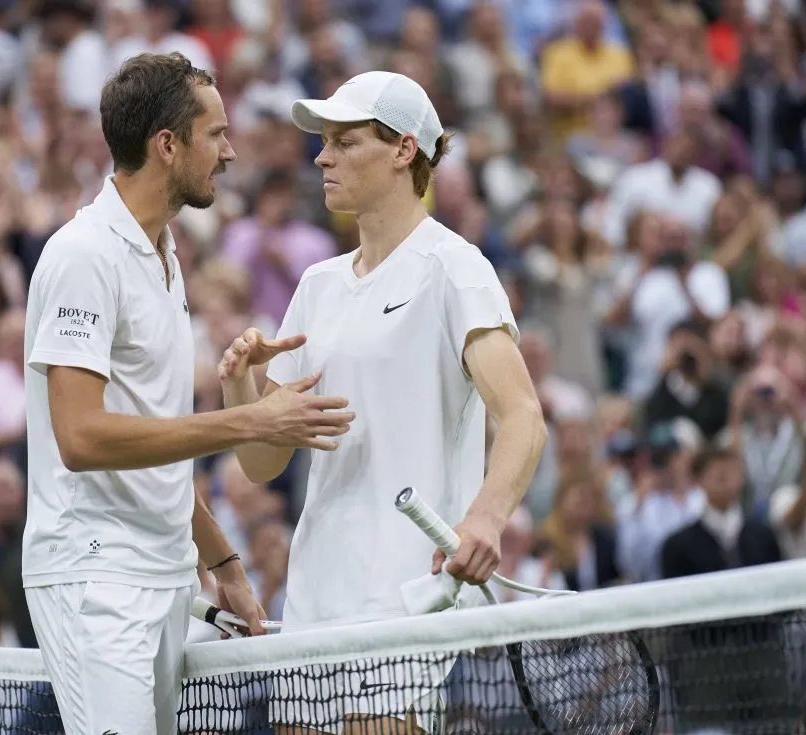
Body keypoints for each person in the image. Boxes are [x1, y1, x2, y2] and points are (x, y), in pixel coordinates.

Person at [21, 52, 355, 735]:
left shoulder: (166, 256)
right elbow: (82, 438)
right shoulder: (84, 255)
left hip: (167, 575)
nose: (230, 152)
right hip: (95, 575)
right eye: (216, 134)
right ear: (166, 146)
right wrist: (248, 419)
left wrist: (223, 561)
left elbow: (156, 438)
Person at [218, 70, 547, 735]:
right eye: (323, 142)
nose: (321, 156)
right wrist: (241, 390)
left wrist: (485, 518)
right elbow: (263, 464)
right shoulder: (317, 285)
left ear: (404, 150)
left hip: (405, 597)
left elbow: (522, 415)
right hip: (313, 594)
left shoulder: (454, 267)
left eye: (345, 141)